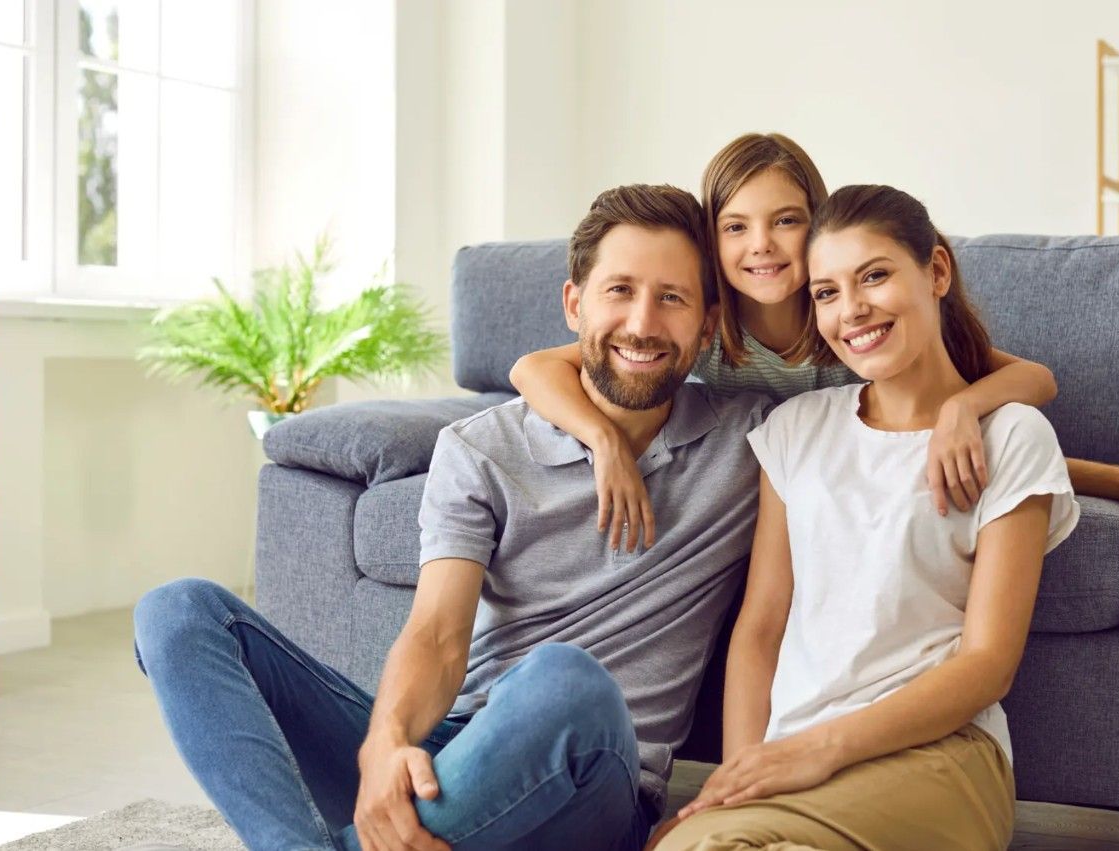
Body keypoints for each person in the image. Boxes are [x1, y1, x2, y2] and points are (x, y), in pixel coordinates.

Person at [133, 184, 774, 851]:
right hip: (456, 748)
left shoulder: (749, 441)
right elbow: (438, 634)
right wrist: (385, 743)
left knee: (566, 677)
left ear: (706, 325)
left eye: (670, 297)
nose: (642, 322)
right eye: (619, 290)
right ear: (573, 304)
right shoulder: (479, 447)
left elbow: (848, 361)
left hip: (597, 777)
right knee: (177, 610)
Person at [509, 133, 1119, 554]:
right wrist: (603, 442)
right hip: (768, 485)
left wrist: (961, 410)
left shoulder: (852, 323)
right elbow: (532, 366)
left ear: (818, 224)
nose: (761, 246)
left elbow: (1034, 380)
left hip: (875, 461)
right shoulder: (702, 328)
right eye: (736, 226)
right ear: (712, 237)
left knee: (953, 440)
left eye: (786, 221)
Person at [649, 184, 1081, 851]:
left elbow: (988, 661)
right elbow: (761, 625)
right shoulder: (795, 428)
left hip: (937, 753)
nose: (851, 310)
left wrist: (823, 748)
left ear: (936, 272)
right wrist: (738, 775)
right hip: (794, 749)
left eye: (873, 276)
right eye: (824, 292)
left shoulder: (1013, 435)